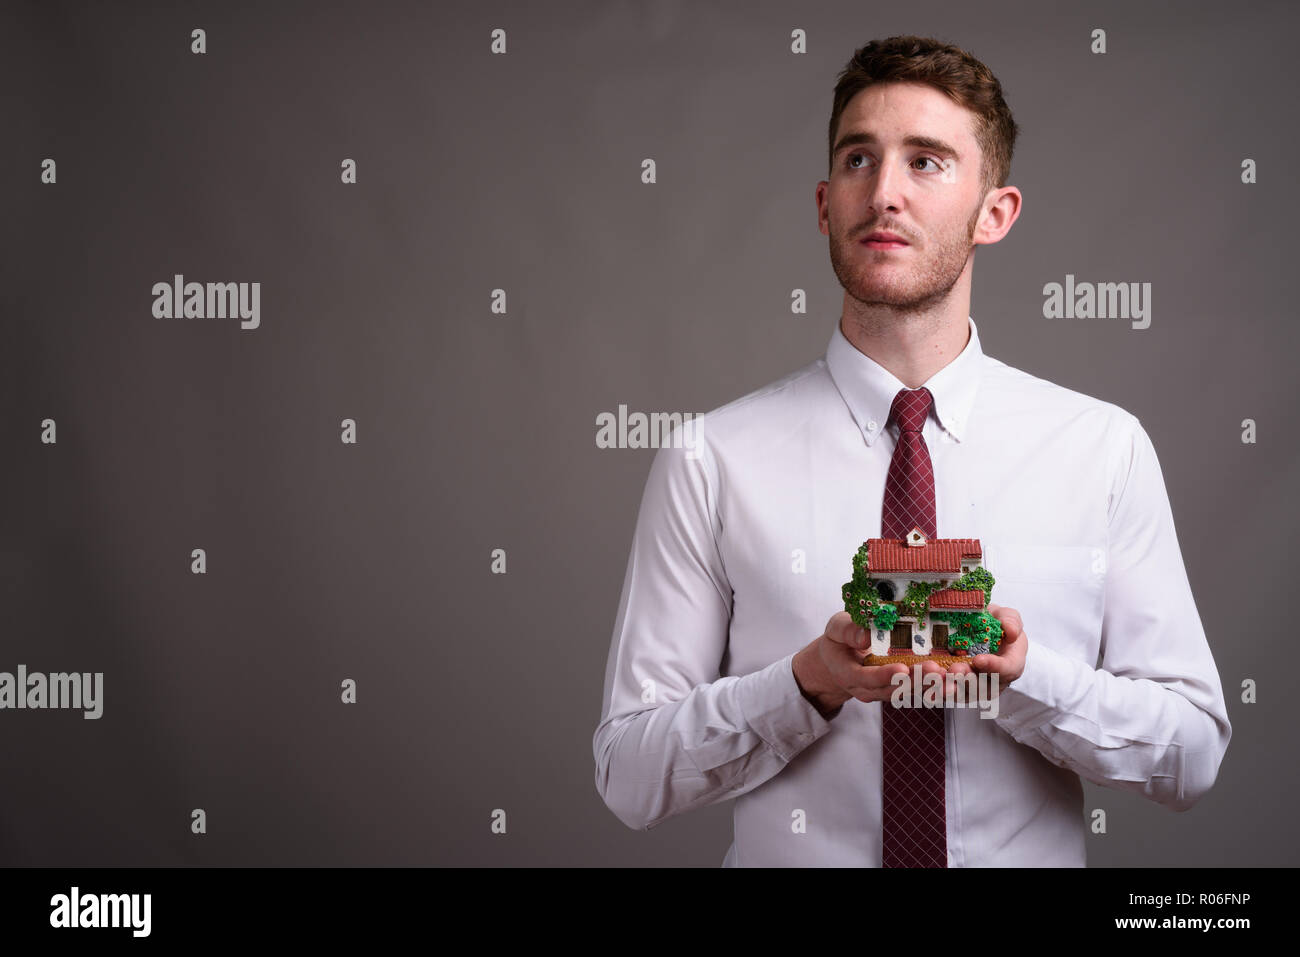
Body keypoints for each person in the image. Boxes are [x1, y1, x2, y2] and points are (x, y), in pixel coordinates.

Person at [591, 35, 1231, 866]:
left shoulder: (1103, 449)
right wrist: (808, 683)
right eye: (860, 158)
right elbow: (629, 775)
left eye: (926, 162)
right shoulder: (708, 458)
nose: (883, 192)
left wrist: (1027, 680)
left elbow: (1192, 755)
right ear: (825, 204)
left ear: (993, 212)